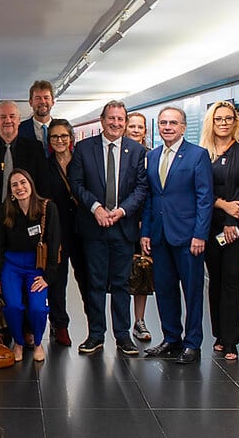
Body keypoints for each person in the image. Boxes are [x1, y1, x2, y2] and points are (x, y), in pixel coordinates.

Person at [69, 101, 147, 356]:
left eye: (120, 119)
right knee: (95, 284)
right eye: (111, 118)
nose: (115, 123)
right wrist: (96, 208)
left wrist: (122, 210)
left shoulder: (137, 151)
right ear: (102, 120)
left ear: (125, 123)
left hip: (123, 227)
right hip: (94, 227)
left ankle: (123, 336)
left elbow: (140, 188)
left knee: (122, 284)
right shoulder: (83, 148)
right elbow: (77, 183)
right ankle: (96, 335)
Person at [142, 106, 213, 364]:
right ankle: (172, 338)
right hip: (160, 237)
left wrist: (200, 234)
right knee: (164, 290)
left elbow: (205, 199)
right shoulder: (152, 156)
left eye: (173, 123)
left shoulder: (197, 155)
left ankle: (192, 343)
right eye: (163, 123)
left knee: (192, 292)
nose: (167, 127)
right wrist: (146, 232)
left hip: (188, 238)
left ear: (183, 127)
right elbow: (151, 196)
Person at [199, 101, 239, 361]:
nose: (224, 123)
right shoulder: (203, 153)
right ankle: (219, 336)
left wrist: (233, 220)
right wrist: (222, 205)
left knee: (232, 279)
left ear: (236, 122)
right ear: (211, 122)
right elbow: (198, 189)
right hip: (211, 226)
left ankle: (232, 340)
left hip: (237, 228)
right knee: (216, 280)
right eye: (219, 119)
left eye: (228, 119)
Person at [0, 169, 61, 362]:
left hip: (36, 267)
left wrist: (48, 277)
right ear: (10, 190)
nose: (20, 187)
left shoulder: (47, 208)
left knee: (38, 308)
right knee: (14, 306)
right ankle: (18, 342)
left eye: (23, 182)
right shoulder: (6, 210)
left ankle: (38, 342)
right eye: (14, 185)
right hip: (12, 266)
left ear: (31, 184)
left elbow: (55, 243)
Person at [0, 100, 50, 236]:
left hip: (28, 216)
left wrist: (41, 215)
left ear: (19, 120)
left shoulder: (35, 148)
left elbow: (43, 184)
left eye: (12, 116)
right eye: (3, 117)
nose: (8, 120)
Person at [46, 119, 87, 346]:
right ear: (49, 141)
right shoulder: (45, 166)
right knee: (57, 281)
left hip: (83, 230)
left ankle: (95, 326)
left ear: (71, 138)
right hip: (57, 232)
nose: (59, 140)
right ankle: (60, 325)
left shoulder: (82, 163)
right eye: (54, 137)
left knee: (87, 279)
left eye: (63, 136)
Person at [124, 112, 154, 342]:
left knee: (142, 271)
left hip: (143, 222)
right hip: (122, 220)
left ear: (145, 131)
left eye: (139, 127)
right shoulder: (118, 153)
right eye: (131, 126)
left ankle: (139, 321)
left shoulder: (151, 157)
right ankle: (121, 322)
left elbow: (153, 192)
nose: (135, 130)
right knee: (123, 272)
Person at [18, 80, 54, 156]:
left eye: (46, 97)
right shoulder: (19, 130)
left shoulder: (63, 129)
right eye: (38, 98)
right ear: (30, 102)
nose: (42, 101)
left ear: (53, 102)